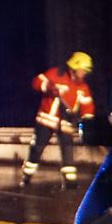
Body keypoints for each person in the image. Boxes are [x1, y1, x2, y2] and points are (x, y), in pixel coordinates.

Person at [20, 51, 95, 188]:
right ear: (73, 67)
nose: (84, 73)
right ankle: (27, 176)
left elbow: (87, 107)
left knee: (68, 152)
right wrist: (48, 87)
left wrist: (88, 124)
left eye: (86, 71)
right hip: (46, 121)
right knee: (37, 149)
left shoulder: (83, 87)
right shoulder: (56, 74)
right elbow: (36, 82)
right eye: (82, 70)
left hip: (66, 123)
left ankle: (70, 182)